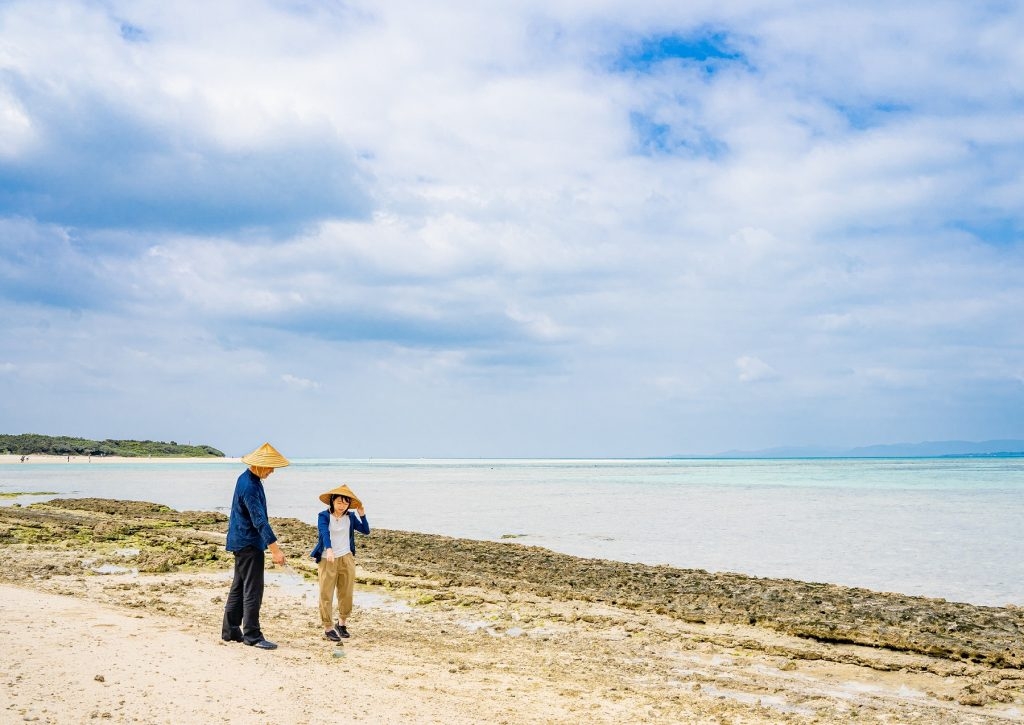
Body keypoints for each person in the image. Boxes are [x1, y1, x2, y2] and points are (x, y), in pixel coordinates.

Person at [221, 442, 289, 650]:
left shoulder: (248, 479)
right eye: (270, 466)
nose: (272, 471)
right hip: (248, 543)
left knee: (240, 586)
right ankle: (252, 634)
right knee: (253, 589)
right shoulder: (249, 485)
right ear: (259, 465)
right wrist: (275, 550)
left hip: (240, 540)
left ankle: (230, 630)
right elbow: (259, 520)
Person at [310, 484, 370, 641]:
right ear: (332, 501)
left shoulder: (350, 517)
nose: (342, 506)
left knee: (346, 593)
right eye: (339, 502)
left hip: (346, 558)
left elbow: (366, 530)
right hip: (327, 558)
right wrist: (329, 549)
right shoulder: (323, 516)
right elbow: (324, 532)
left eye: (345, 503)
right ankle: (328, 627)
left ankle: (341, 624)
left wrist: (362, 514)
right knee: (326, 594)